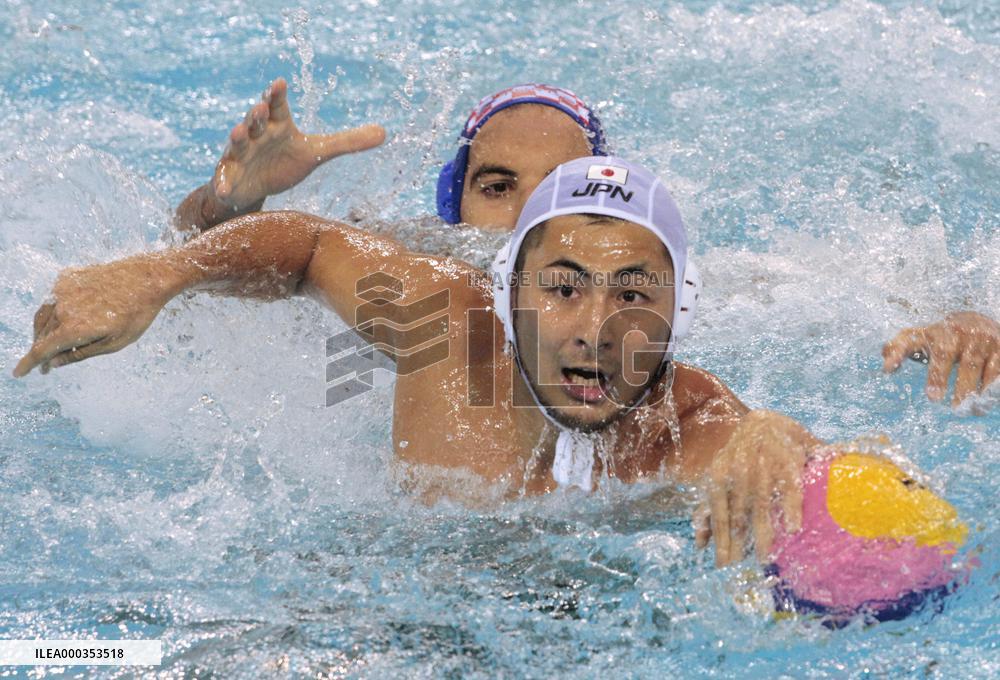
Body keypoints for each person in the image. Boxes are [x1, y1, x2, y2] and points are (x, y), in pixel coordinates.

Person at [15, 157, 822, 569]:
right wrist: (161, 274)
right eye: (565, 288)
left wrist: (783, 438)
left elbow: (820, 474)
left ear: (679, 310)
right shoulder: (451, 321)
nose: (596, 330)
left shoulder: (696, 427)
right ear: (509, 293)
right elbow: (311, 243)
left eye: (635, 294)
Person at [173, 78, 1000, 408]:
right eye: (498, 188)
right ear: (453, 203)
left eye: (554, 194)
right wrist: (227, 203)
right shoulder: (402, 261)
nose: (524, 225)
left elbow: (862, 289)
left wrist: (960, 320)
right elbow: (204, 267)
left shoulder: (660, 293)